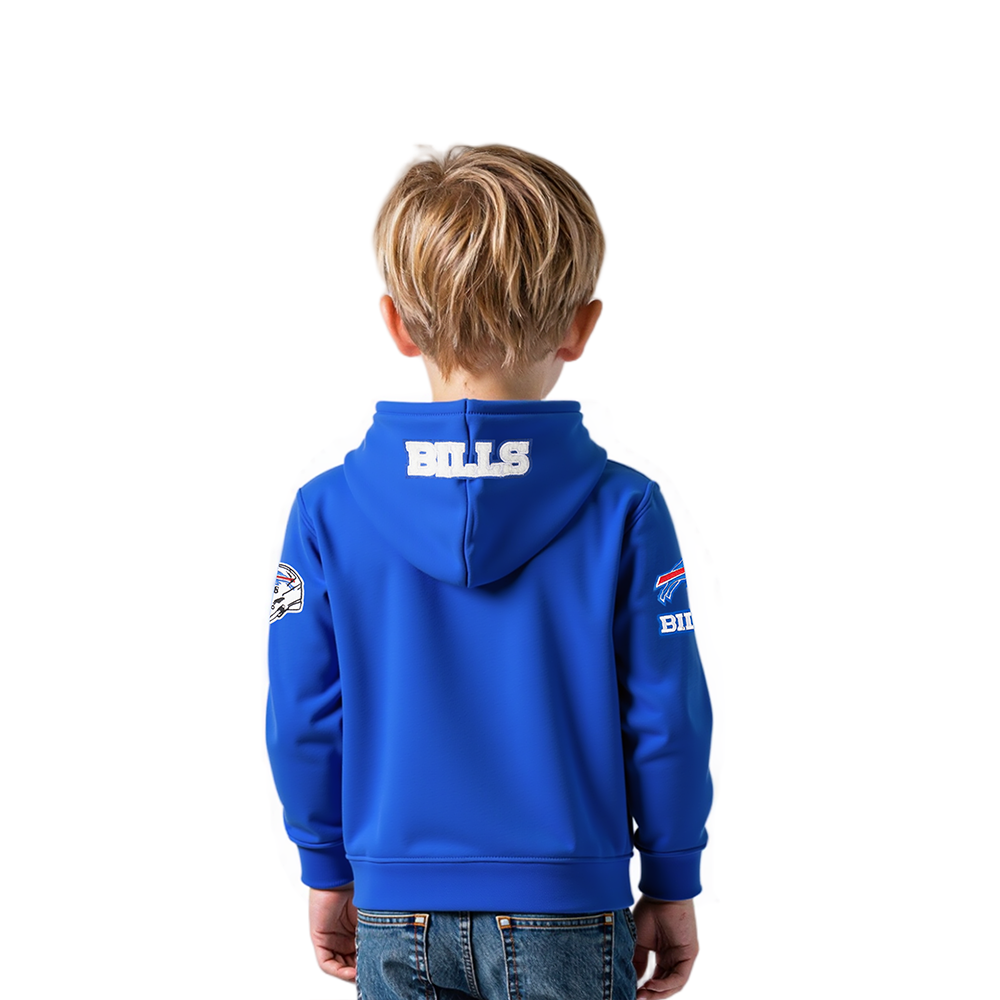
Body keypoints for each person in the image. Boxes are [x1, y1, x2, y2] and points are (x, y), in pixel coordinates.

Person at [266, 144, 714, 1000]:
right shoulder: (626, 509)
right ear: (580, 327)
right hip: (572, 910)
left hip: (395, 911)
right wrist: (672, 876)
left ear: (398, 324)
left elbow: (303, 716)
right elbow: (667, 718)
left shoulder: (326, 511)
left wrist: (325, 864)